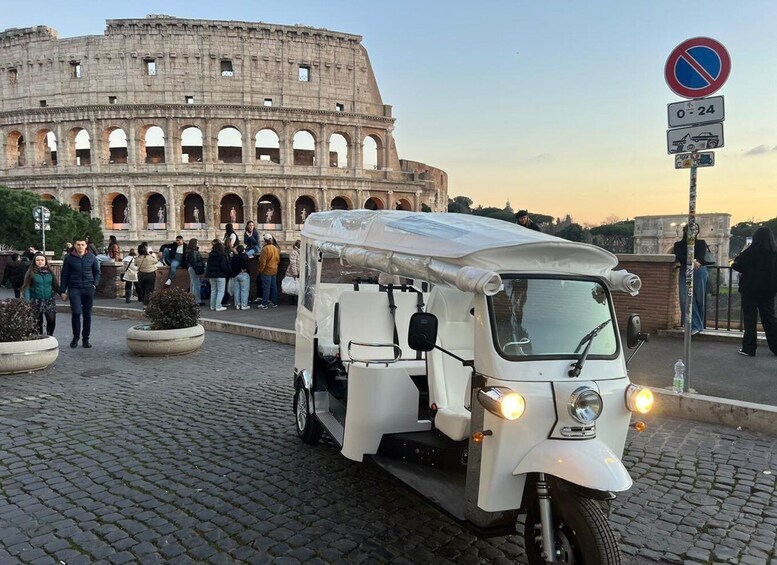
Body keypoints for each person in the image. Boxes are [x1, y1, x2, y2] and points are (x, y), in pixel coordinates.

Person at [732, 227, 777, 357]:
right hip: (768, 291)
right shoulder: (774, 254)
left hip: (749, 290)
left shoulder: (751, 252)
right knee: (769, 319)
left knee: (750, 320)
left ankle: (749, 348)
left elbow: (737, 265)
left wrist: (743, 251)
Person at [60, 237, 101, 348]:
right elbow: (64, 275)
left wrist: (94, 284)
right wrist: (63, 291)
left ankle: (86, 339)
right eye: (78, 244)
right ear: (74, 245)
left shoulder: (92, 257)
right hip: (74, 288)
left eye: (82, 244)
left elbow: (97, 272)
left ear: (86, 245)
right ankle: (75, 337)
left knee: (87, 314)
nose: (80, 247)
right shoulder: (69, 258)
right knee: (76, 313)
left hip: (88, 288)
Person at [673, 223, 709, 336]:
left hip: (699, 272)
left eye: (697, 228)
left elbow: (701, 255)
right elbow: (679, 256)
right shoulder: (678, 244)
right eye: (692, 228)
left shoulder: (701, 243)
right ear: (685, 230)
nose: (695, 230)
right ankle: (694, 326)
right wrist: (692, 261)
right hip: (685, 271)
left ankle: (697, 326)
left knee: (699, 299)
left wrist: (694, 260)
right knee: (685, 298)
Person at [21, 252, 61, 336]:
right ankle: (39, 337)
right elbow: (26, 288)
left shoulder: (50, 273)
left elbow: (55, 285)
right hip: (35, 300)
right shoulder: (30, 273)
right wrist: (27, 302)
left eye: (42, 260)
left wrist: (62, 293)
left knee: (51, 320)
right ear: (34, 261)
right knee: (38, 322)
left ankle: (50, 336)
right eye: (38, 260)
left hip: (49, 300)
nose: (40, 262)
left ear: (45, 261)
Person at [206, 239, 230, 312]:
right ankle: (218, 306)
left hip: (211, 275)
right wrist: (227, 271)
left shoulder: (211, 255)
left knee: (213, 290)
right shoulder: (222, 255)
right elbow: (223, 266)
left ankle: (212, 306)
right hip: (220, 275)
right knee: (220, 291)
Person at [257, 233, 280, 309]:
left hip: (266, 271)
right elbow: (278, 260)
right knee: (274, 287)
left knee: (266, 288)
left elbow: (262, 261)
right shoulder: (275, 248)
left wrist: (260, 270)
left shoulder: (265, 249)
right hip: (274, 269)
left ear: (265, 240)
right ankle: (274, 302)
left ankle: (264, 303)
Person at [134, 242, 159, 307]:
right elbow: (156, 261)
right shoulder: (149, 257)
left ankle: (144, 301)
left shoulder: (137, 258)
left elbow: (135, 264)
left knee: (143, 289)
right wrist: (152, 254)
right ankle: (146, 304)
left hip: (141, 274)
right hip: (150, 274)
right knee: (148, 290)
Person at [230, 245, 251, 310]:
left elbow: (231, 265)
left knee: (236, 290)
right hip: (243, 274)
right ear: (243, 250)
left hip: (235, 275)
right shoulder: (245, 256)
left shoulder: (234, 257)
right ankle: (244, 305)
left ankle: (237, 304)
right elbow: (246, 265)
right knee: (244, 290)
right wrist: (243, 269)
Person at [186, 238, 205, 306]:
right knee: (196, 285)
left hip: (191, 268)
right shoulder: (193, 252)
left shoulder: (190, 251)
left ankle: (192, 300)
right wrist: (198, 271)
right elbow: (194, 262)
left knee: (193, 284)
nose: (198, 244)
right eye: (197, 243)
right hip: (194, 269)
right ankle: (196, 301)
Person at [285, 239, 301, 305]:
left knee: (296, 286)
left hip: (299, 272)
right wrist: (295, 273)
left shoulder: (299, 252)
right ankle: (292, 301)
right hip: (294, 272)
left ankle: (295, 301)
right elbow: (293, 263)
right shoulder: (294, 252)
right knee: (292, 286)